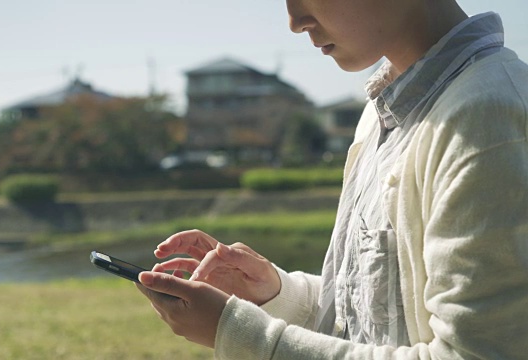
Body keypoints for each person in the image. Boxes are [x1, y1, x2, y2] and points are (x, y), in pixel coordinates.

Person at [136, 0, 528, 358]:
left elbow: (473, 353)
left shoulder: (487, 118)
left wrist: (243, 334)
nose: (294, 21)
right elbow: (369, 324)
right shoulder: (382, 113)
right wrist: (275, 293)